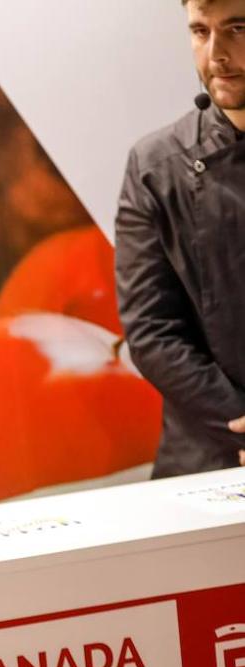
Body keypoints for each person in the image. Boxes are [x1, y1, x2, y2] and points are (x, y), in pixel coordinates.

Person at [115, 0, 245, 476]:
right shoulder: (155, 166)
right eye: (200, 32)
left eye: (237, 28)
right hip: (209, 459)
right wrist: (240, 425)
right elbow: (152, 330)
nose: (217, 54)